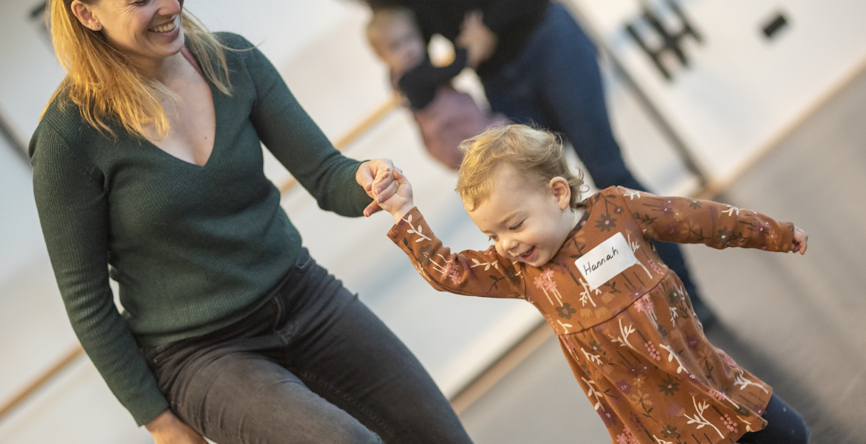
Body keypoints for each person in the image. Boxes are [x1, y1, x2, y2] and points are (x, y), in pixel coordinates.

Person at [30, 1, 473, 443]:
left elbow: (324, 173)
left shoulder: (232, 61)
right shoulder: (68, 138)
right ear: (87, 14)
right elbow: (87, 302)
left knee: (441, 435)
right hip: (200, 353)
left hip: (302, 294)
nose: (168, 6)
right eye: (139, 1)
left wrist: (367, 178)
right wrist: (160, 421)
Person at [368, 124, 810, 444]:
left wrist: (774, 233)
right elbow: (452, 272)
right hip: (654, 414)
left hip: (700, 369)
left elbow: (697, 218)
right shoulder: (524, 272)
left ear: (558, 193)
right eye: (492, 236)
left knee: (791, 435)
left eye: (515, 224)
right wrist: (405, 214)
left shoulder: (617, 210)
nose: (506, 244)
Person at [360, 0, 717, 325]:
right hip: (500, 82)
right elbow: (416, 56)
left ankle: (686, 298)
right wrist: (417, 77)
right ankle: (625, 321)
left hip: (549, 41)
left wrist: (485, 30)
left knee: (609, 172)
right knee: (545, 212)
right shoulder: (398, 6)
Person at [365, 7, 505, 169]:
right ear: (381, 56)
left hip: (459, 128)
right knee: (497, 151)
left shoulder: (400, 76)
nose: (407, 49)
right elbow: (451, 70)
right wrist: (468, 46)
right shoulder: (412, 78)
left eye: (410, 37)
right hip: (454, 131)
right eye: (395, 46)